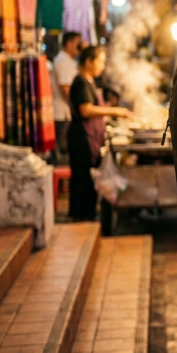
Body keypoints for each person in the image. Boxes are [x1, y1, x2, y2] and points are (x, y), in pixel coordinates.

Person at [67, 46, 131, 222]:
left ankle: (85, 215)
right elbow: (86, 110)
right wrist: (115, 111)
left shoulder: (88, 82)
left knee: (87, 179)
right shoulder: (80, 82)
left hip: (89, 138)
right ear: (88, 61)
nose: (102, 66)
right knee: (82, 180)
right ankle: (81, 218)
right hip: (82, 139)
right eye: (100, 61)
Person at [52, 31, 82, 163]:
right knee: (63, 149)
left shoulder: (67, 60)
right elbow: (66, 88)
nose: (80, 46)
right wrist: (78, 106)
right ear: (69, 43)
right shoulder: (63, 61)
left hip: (64, 112)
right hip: (62, 112)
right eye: (78, 43)